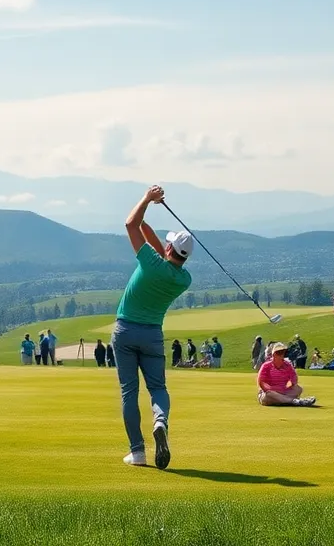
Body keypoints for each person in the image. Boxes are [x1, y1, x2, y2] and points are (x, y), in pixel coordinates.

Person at [112, 185, 193, 469]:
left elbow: (129, 223)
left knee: (129, 392)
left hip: (125, 332)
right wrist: (147, 218)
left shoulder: (149, 263)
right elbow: (149, 236)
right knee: (157, 388)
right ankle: (160, 421)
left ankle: (138, 452)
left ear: (169, 248)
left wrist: (146, 199)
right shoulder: (184, 279)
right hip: (152, 336)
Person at [256, 342, 317, 407]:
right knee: (269, 394)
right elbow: (262, 383)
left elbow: (294, 380)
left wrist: (285, 388)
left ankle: (284, 400)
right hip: (269, 393)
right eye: (279, 353)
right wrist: (274, 389)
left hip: (284, 392)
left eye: (282, 352)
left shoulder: (288, 365)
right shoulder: (266, 366)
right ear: (273, 354)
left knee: (298, 389)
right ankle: (294, 401)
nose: (281, 355)